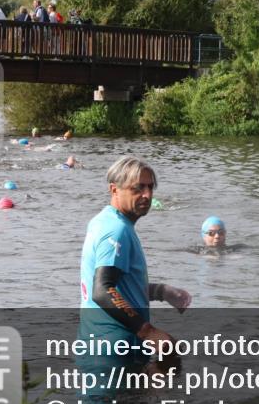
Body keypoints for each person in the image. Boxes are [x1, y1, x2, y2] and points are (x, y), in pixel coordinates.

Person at [78, 156, 192, 376]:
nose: (147, 195)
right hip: (114, 351)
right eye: (138, 188)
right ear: (114, 189)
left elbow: (119, 286)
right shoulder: (116, 230)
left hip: (101, 346)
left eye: (150, 188)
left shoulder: (104, 221)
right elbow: (102, 290)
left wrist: (161, 292)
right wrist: (147, 331)